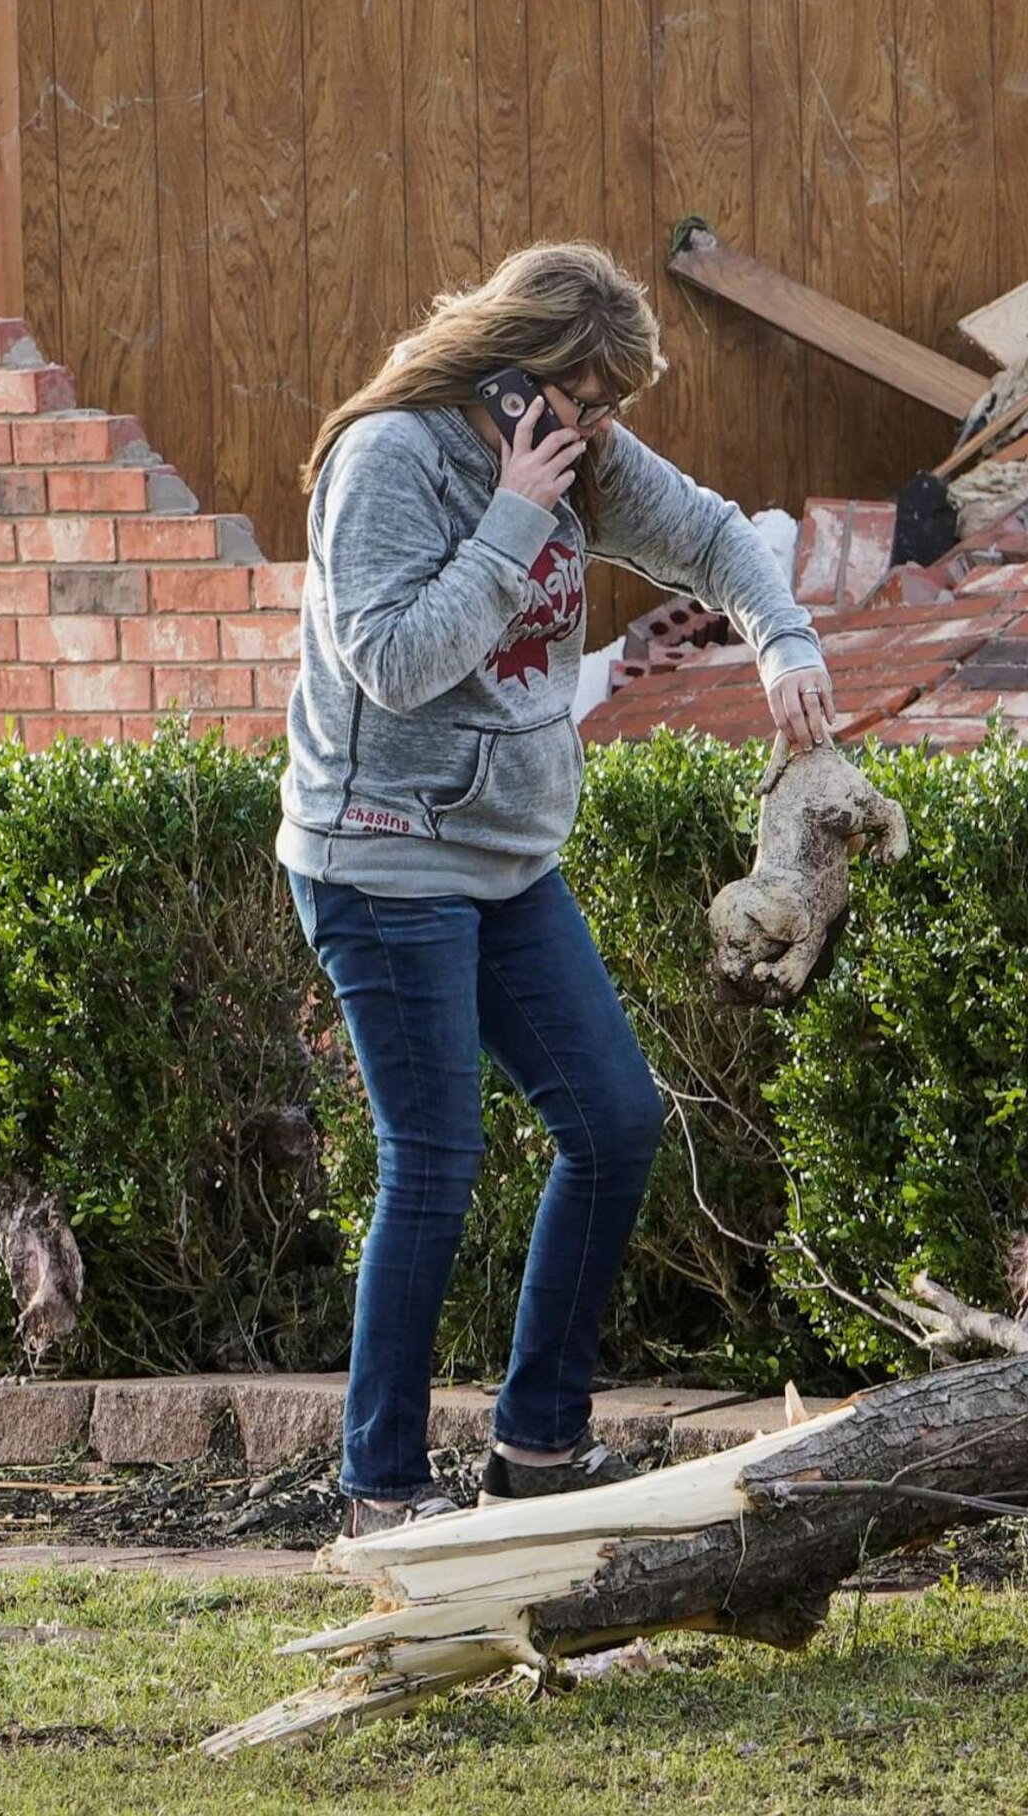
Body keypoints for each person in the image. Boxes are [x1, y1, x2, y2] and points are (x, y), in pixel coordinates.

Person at [279, 241, 833, 1536]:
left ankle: (537, 1447)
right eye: (585, 403)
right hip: (382, 852)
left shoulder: (581, 453)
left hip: (507, 864)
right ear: (514, 375)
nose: (599, 430)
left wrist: (785, 642)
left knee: (616, 1121)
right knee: (435, 1162)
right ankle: (381, 1492)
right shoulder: (391, 462)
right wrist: (516, 513)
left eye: (612, 409)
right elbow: (394, 662)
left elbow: (708, 535)